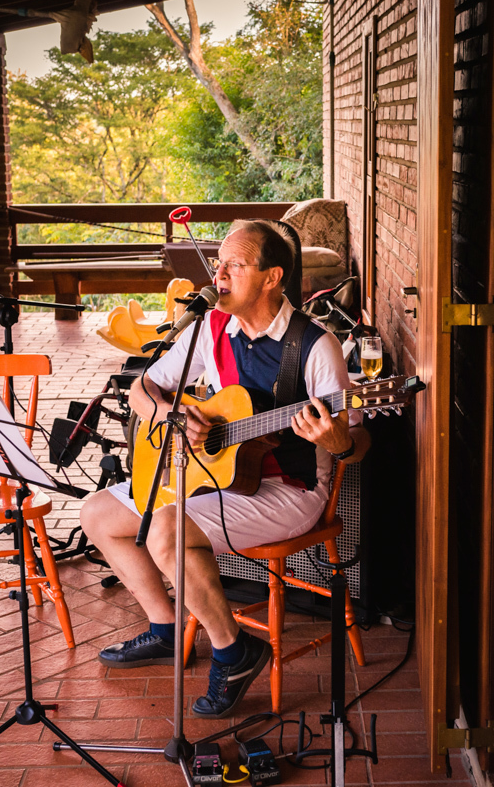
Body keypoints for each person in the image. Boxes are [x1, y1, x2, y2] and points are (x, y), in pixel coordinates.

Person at [80, 219, 360, 719]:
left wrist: (334, 438)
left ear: (272, 277)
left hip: (289, 489)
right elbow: (142, 388)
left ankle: (233, 652)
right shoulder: (211, 329)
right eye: (219, 263)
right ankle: (167, 629)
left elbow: (356, 443)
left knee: (165, 528)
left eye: (234, 264)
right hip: (220, 479)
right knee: (98, 514)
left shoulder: (315, 345)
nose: (220, 274)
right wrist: (170, 415)